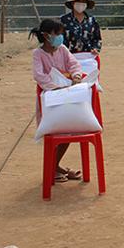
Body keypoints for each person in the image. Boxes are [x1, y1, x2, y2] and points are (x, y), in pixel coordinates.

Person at [30, 18, 84, 183]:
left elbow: (74, 64)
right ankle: (54, 167)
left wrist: (75, 75)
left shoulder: (62, 50)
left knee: (68, 131)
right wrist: (55, 87)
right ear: (46, 36)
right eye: (57, 34)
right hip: (51, 99)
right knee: (54, 133)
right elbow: (39, 75)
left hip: (67, 96)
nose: (60, 37)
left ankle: (55, 166)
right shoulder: (38, 54)